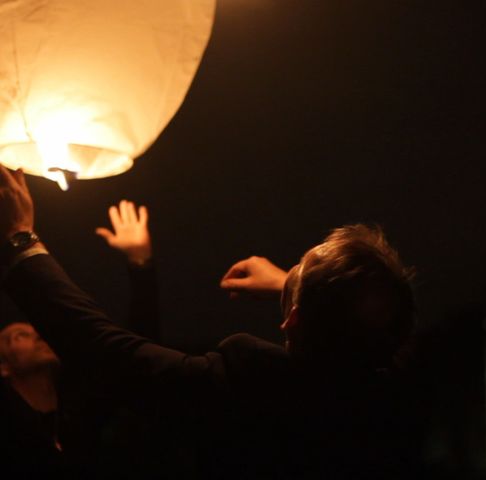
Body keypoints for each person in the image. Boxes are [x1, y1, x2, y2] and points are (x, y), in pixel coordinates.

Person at [0, 165, 425, 479]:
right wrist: (292, 284)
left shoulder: (253, 384)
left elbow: (110, 351)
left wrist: (21, 237)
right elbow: (358, 326)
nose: (287, 271)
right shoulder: (386, 400)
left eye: (298, 266)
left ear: (293, 318)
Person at [0, 197, 158, 477]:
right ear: (3, 366)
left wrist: (140, 262)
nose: (39, 337)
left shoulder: (82, 411)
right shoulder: (10, 424)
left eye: (37, 331)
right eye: (19, 336)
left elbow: (135, 356)